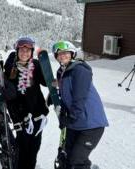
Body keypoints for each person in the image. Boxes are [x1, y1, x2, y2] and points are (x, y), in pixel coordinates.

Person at [52, 40, 109, 169]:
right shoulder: (62, 72)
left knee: (77, 160)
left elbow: (79, 97)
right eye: (59, 54)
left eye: (66, 53)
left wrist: (70, 117)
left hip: (91, 124)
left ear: (72, 54)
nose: (62, 56)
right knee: (65, 156)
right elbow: (66, 96)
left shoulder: (79, 70)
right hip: (75, 123)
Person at [4, 36, 49, 169]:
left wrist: (50, 75)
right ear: (17, 51)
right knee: (22, 150)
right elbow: (9, 98)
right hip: (22, 118)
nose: (25, 53)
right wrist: (16, 118)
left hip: (38, 115)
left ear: (31, 52)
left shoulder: (35, 65)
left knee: (34, 149)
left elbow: (46, 83)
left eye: (28, 51)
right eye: (22, 50)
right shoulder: (10, 69)